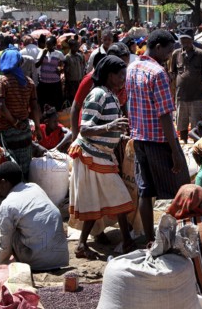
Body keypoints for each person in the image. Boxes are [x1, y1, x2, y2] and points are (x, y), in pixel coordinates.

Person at [69, 56, 136, 259]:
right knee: (121, 197)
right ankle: (127, 241)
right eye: (120, 74)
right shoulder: (97, 94)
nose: (123, 78)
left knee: (93, 203)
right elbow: (85, 129)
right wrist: (110, 127)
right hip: (92, 154)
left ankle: (82, 245)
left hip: (102, 155)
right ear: (109, 75)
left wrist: (120, 136)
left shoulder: (112, 94)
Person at [126, 30, 190, 243]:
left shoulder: (132, 67)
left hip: (139, 139)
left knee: (145, 191)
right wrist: (175, 151)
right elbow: (164, 115)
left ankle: (149, 239)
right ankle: (178, 237)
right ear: (159, 47)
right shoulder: (158, 73)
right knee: (181, 187)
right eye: (169, 50)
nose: (170, 55)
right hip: (159, 141)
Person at [0, 162, 69, 271]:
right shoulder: (34, 187)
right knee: (14, 222)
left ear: (3, 182)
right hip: (59, 257)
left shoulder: (7, 204)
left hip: (36, 263)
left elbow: (4, 248)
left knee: (1, 219)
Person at [0, 48, 42, 179]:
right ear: (19, 63)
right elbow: (35, 107)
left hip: (8, 128)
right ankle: (24, 184)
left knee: (9, 162)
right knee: (25, 161)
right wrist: (37, 128)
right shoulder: (29, 82)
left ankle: (13, 189)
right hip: (24, 129)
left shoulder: (1, 81)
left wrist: (14, 122)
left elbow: (1, 105)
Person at [171, 31, 202, 144]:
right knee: (181, 120)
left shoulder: (201, 54)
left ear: (192, 40)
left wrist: (201, 85)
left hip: (196, 94)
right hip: (181, 94)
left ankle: (196, 143)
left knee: (196, 120)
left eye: (187, 40)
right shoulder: (176, 54)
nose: (185, 43)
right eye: (182, 40)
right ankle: (183, 141)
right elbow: (172, 72)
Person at [35, 36, 64, 111]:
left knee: (55, 104)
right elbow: (37, 65)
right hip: (44, 82)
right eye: (46, 44)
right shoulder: (42, 52)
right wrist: (43, 55)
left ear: (54, 44)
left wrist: (60, 69)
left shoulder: (59, 54)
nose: (47, 46)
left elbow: (64, 64)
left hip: (55, 83)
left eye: (49, 44)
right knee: (44, 103)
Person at [63, 39, 86, 104]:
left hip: (80, 80)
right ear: (71, 47)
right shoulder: (67, 57)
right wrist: (68, 83)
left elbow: (82, 67)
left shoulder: (79, 56)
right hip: (71, 82)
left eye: (77, 46)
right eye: (75, 46)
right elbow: (66, 72)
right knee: (73, 99)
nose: (77, 48)